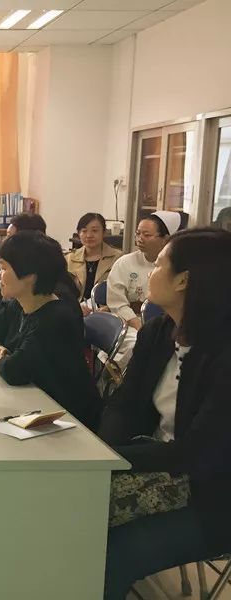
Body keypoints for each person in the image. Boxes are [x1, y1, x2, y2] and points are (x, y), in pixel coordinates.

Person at [99, 228, 231, 600]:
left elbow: (198, 452)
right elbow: (124, 403)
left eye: (158, 265)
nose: (150, 273)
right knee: (71, 506)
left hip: (212, 495)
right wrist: (101, 450)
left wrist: (113, 458)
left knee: (109, 550)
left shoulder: (223, 354)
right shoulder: (159, 332)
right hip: (159, 467)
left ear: (184, 280)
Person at [0, 231, 101, 431]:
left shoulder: (55, 318)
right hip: (34, 405)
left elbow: (15, 371)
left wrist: (2, 359)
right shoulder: (20, 303)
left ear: (30, 276)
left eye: (4, 268)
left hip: (68, 420)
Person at [0, 213, 47, 331]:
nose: (5, 242)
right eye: (6, 236)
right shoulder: (2, 263)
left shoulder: (39, 280)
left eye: (10, 237)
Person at [107, 210, 181, 330]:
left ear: (165, 239)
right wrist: (138, 326)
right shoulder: (124, 263)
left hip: (167, 325)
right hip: (130, 324)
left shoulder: (176, 267)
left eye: (147, 235)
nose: (140, 239)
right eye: (138, 233)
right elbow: (117, 302)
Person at [67, 213, 122, 312]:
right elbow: (62, 291)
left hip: (105, 312)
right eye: (84, 231)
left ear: (104, 232)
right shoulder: (69, 259)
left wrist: (109, 308)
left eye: (95, 231)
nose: (89, 235)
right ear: (78, 234)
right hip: (75, 311)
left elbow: (123, 292)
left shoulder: (118, 258)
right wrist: (74, 306)